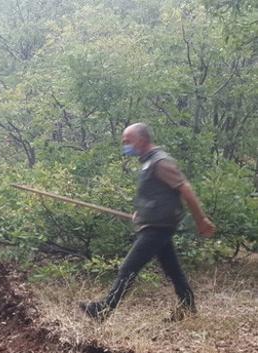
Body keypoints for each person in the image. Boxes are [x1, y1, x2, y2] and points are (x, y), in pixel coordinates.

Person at [80, 123, 216, 322]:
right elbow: (156, 195)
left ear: (141, 140)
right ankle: (188, 308)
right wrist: (141, 213)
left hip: (159, 227)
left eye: (128, 141)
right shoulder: (148, 162)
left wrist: (201, 219)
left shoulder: (161, 162)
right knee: (172, 269)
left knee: (128, 267)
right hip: (154, 224)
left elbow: (185, 189)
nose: (125, 145)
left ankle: (103, 310)